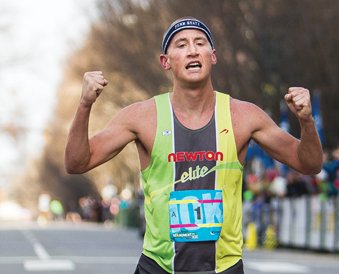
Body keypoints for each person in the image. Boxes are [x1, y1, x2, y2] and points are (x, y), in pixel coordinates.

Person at [65, 17, 323, 274]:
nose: (192, 50)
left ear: (213, 56)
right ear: (165, 62)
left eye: (200, 43)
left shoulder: (244, 116)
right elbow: (77, 162)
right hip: (159, 267)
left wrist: (306, 121)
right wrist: (84, 105)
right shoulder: (141, 117)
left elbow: (309, 164)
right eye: (181, 45)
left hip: (224, 267)